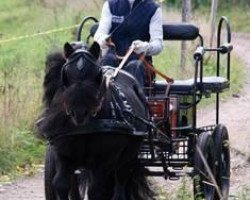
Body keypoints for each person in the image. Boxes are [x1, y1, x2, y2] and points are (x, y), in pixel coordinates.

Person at [94, 0, 164, 86]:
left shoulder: (154, 8)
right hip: (112, 59)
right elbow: (99, 34)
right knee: (106, 61)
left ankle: (132, 98)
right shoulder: (110, 5)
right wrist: (103, 39)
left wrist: (145, 47)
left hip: (140, 62)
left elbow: (158, 44)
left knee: (134, 66)